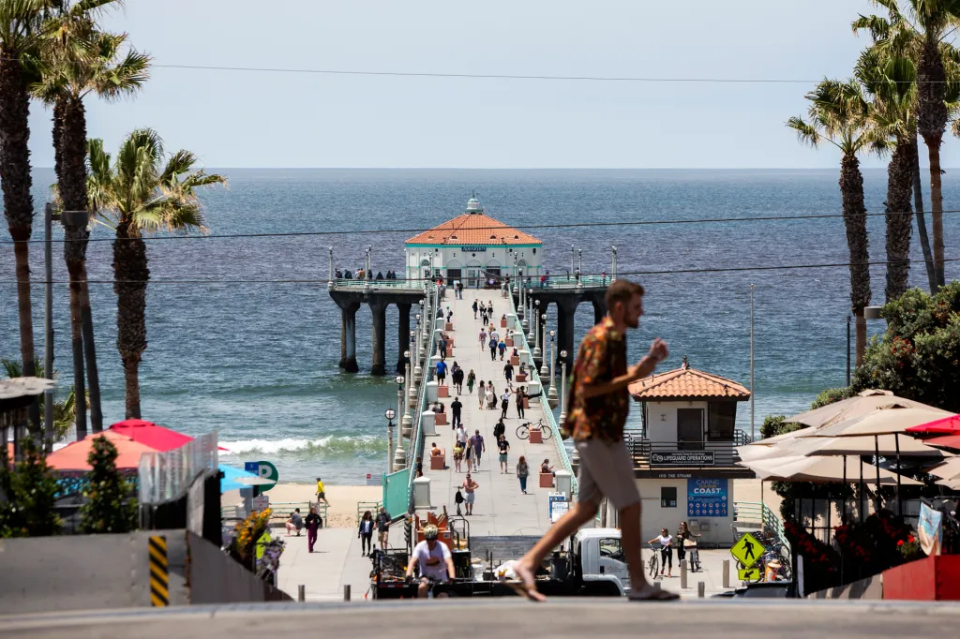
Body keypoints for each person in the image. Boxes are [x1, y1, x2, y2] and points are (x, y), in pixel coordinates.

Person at [508, 279, 675, 602]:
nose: (642, 312)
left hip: (599, 433)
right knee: (630, 504)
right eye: (637, 306)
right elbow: (588, 387)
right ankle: (639, 585)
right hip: (599, 435)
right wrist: (638, 373)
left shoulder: (612, 338)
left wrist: (643, 367)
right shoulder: (606, 338)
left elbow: (600, 380)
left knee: (585, 508)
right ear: (618, 307)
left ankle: (527, 564)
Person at [406, 524, 456, 598]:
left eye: (433, 539)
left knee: (443, 597)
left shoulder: (442, 547)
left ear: (436, 538)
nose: (430, 542)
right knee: (422, 588)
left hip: (440, 579)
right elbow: (412, 562)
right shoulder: (420, 546)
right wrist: (408, 575)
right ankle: (422, 608)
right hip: (425, 577)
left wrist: (452, 577)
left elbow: (449, 563)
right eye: (428, 539)